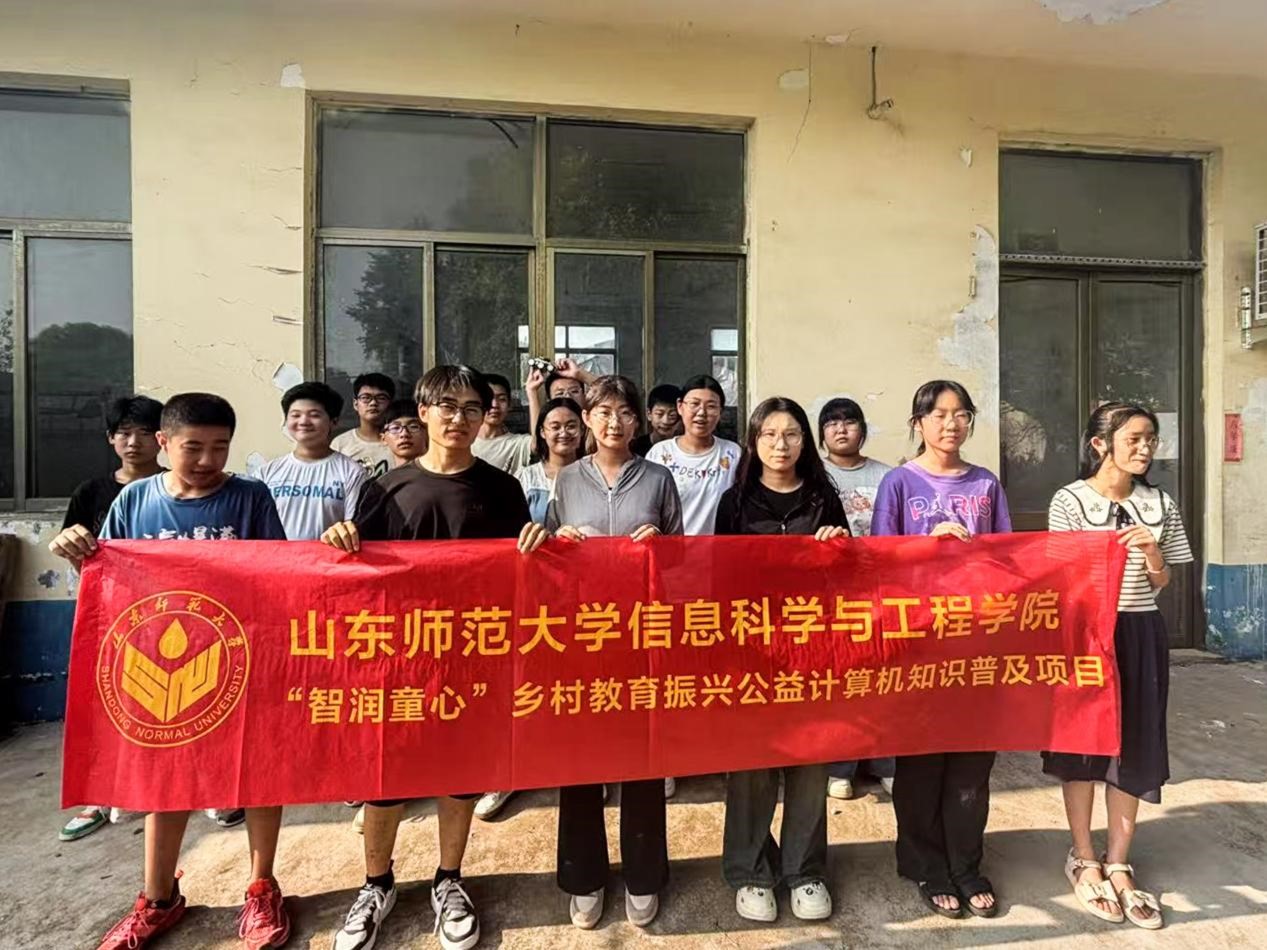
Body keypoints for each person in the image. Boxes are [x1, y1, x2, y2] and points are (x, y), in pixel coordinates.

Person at [47, 393, 291, 950]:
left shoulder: (251, 497)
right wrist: (76, 550)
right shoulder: (134, 500)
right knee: (167, 779)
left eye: (220, 448)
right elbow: (106, 577)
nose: (207, 460)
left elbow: (280, 574)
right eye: (193, 447)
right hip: (158, 667)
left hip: (241, 657)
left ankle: (262, 887)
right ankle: (158, 898)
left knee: (257, 774)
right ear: (163, 442)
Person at [321, 365, 547, 950]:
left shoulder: (503, 489)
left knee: (461, 773)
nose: (459, 419)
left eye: (472, 408)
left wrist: (540, 543)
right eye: (447, 406)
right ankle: (376, 884)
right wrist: (339, 541)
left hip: (472, 658)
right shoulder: (384, 489)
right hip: (399, 658)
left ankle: (450, 879)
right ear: (422, 412)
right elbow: (353, 571)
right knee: (386, 777)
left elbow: (525, 570)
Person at [1042, 402, 1193, 931]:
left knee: (1135, 742)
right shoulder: (1070, 501)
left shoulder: (1159, 502)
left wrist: (1152, 553)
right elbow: (1058, 575)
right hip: (1085, 633)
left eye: (1151, 438)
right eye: (1134, 438)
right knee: (1082, 745)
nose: (1145, 448)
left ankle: (1120, 862)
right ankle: (1084, 857)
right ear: (1099, 444)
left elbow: (1163, 580)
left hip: (1140, 630)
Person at [545, 374, 683, 930]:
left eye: (625, 413)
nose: (613, 423)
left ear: (638, 421)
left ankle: (644, 874)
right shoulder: (567, 478)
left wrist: (660, 547)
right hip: (582, 637)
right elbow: (546, 556)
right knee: (581, 759)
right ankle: (585, 877)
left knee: (642, 758)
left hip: (641, 636)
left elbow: (681, 558)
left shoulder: (658, 478)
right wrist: (561, 542)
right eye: (603, 412)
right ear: (587, 419)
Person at [871, 379, 1010, 921]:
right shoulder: (899, 483)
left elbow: (1007, 559)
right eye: (939, 414)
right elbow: (879, 561)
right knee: (921, 761)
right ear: (918, 423)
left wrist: (975, 556)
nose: (951, 424)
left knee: (972, 762)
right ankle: (927, 864)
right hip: (918, 643)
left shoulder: (986, 483)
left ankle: (967, 864)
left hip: (975, 642)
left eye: (961, 414)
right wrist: (928, 548)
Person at [715, 397, 849, 924]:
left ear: (804, 442)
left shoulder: (823, 498)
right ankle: (749, 870)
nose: (781, 444)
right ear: (753, 442)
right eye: (769, 434)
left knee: (812, 762)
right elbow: (720, 580)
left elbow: (849, 578)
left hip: (813, 649)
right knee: (752, 765)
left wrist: (840, 546)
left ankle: (804, 870)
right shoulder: (735, 502)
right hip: (753, 652)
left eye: (791, 434)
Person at [55, 395, 164, 843]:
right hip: (113, 616)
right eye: (124, 433)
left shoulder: (182, 489)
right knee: (108, 705)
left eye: (144, 433)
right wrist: (68, 545)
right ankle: (100, 796)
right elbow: (76, 553)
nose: (133, 442)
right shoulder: (92, 493)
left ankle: (196, 790)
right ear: (110, 439)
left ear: (162, 438)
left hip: (174, 616)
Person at [473, 395, 586, 823]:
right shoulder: (521, 478)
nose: (563, 432)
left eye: (571, 425)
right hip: (529, 597)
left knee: (576, 682)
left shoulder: (595, 474)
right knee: (521, 683)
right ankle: (509, 772)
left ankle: (579, 764)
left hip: (584, 597)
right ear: (541, 432)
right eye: (554, 425)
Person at [817, 397, 895, 800]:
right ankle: (840, 767)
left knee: (882, 679)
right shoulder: (814, 475)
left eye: (849, 422)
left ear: (862, 430)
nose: (841, 429)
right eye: (832, 423)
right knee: (840, 681)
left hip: (879, 590)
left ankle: (885, 764)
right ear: (822, 433)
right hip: (830, 595)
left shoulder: (888, 476)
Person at [257, 381, 368, 540]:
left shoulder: (353, 473)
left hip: (328, 556)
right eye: (295, 415)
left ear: (334, 422)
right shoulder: (266, 473)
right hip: (276, 556)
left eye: (314, 415)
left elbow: (353, 530)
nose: (303, 421)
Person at [646, 375, 740, 537]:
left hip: (719, 550)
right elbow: (648, 507)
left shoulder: (732, 454)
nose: (701, 413)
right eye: (694, 404)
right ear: (680, 407)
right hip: (672, 550)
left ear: (720, 411)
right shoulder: (659, 454)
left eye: (711, 406)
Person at [471, 371, 540, 476]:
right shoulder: (465, 442)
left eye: (502, 399)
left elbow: (538, 443)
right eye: (488, 399)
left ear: (510, 405)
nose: (495, 405)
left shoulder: (516, 444)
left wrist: (532, 392)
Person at [331, 372, 396, 478]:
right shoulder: (340, 444)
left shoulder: (400, 441)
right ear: (356, 404)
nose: (373, 403)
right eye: (366, 397)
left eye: (381, 398)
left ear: (390, 404)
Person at [630, 384, 682, 457]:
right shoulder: (636, 448)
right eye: (659, 414)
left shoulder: (684, 448)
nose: (665, 421)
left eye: (672, 415)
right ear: (649, 414)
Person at [380, 398, 428, 469]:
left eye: (413, 427)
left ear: (428, 432)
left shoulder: (442, 474)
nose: (404, 434)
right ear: (383, 439)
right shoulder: (383, 476)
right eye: (395, 428)